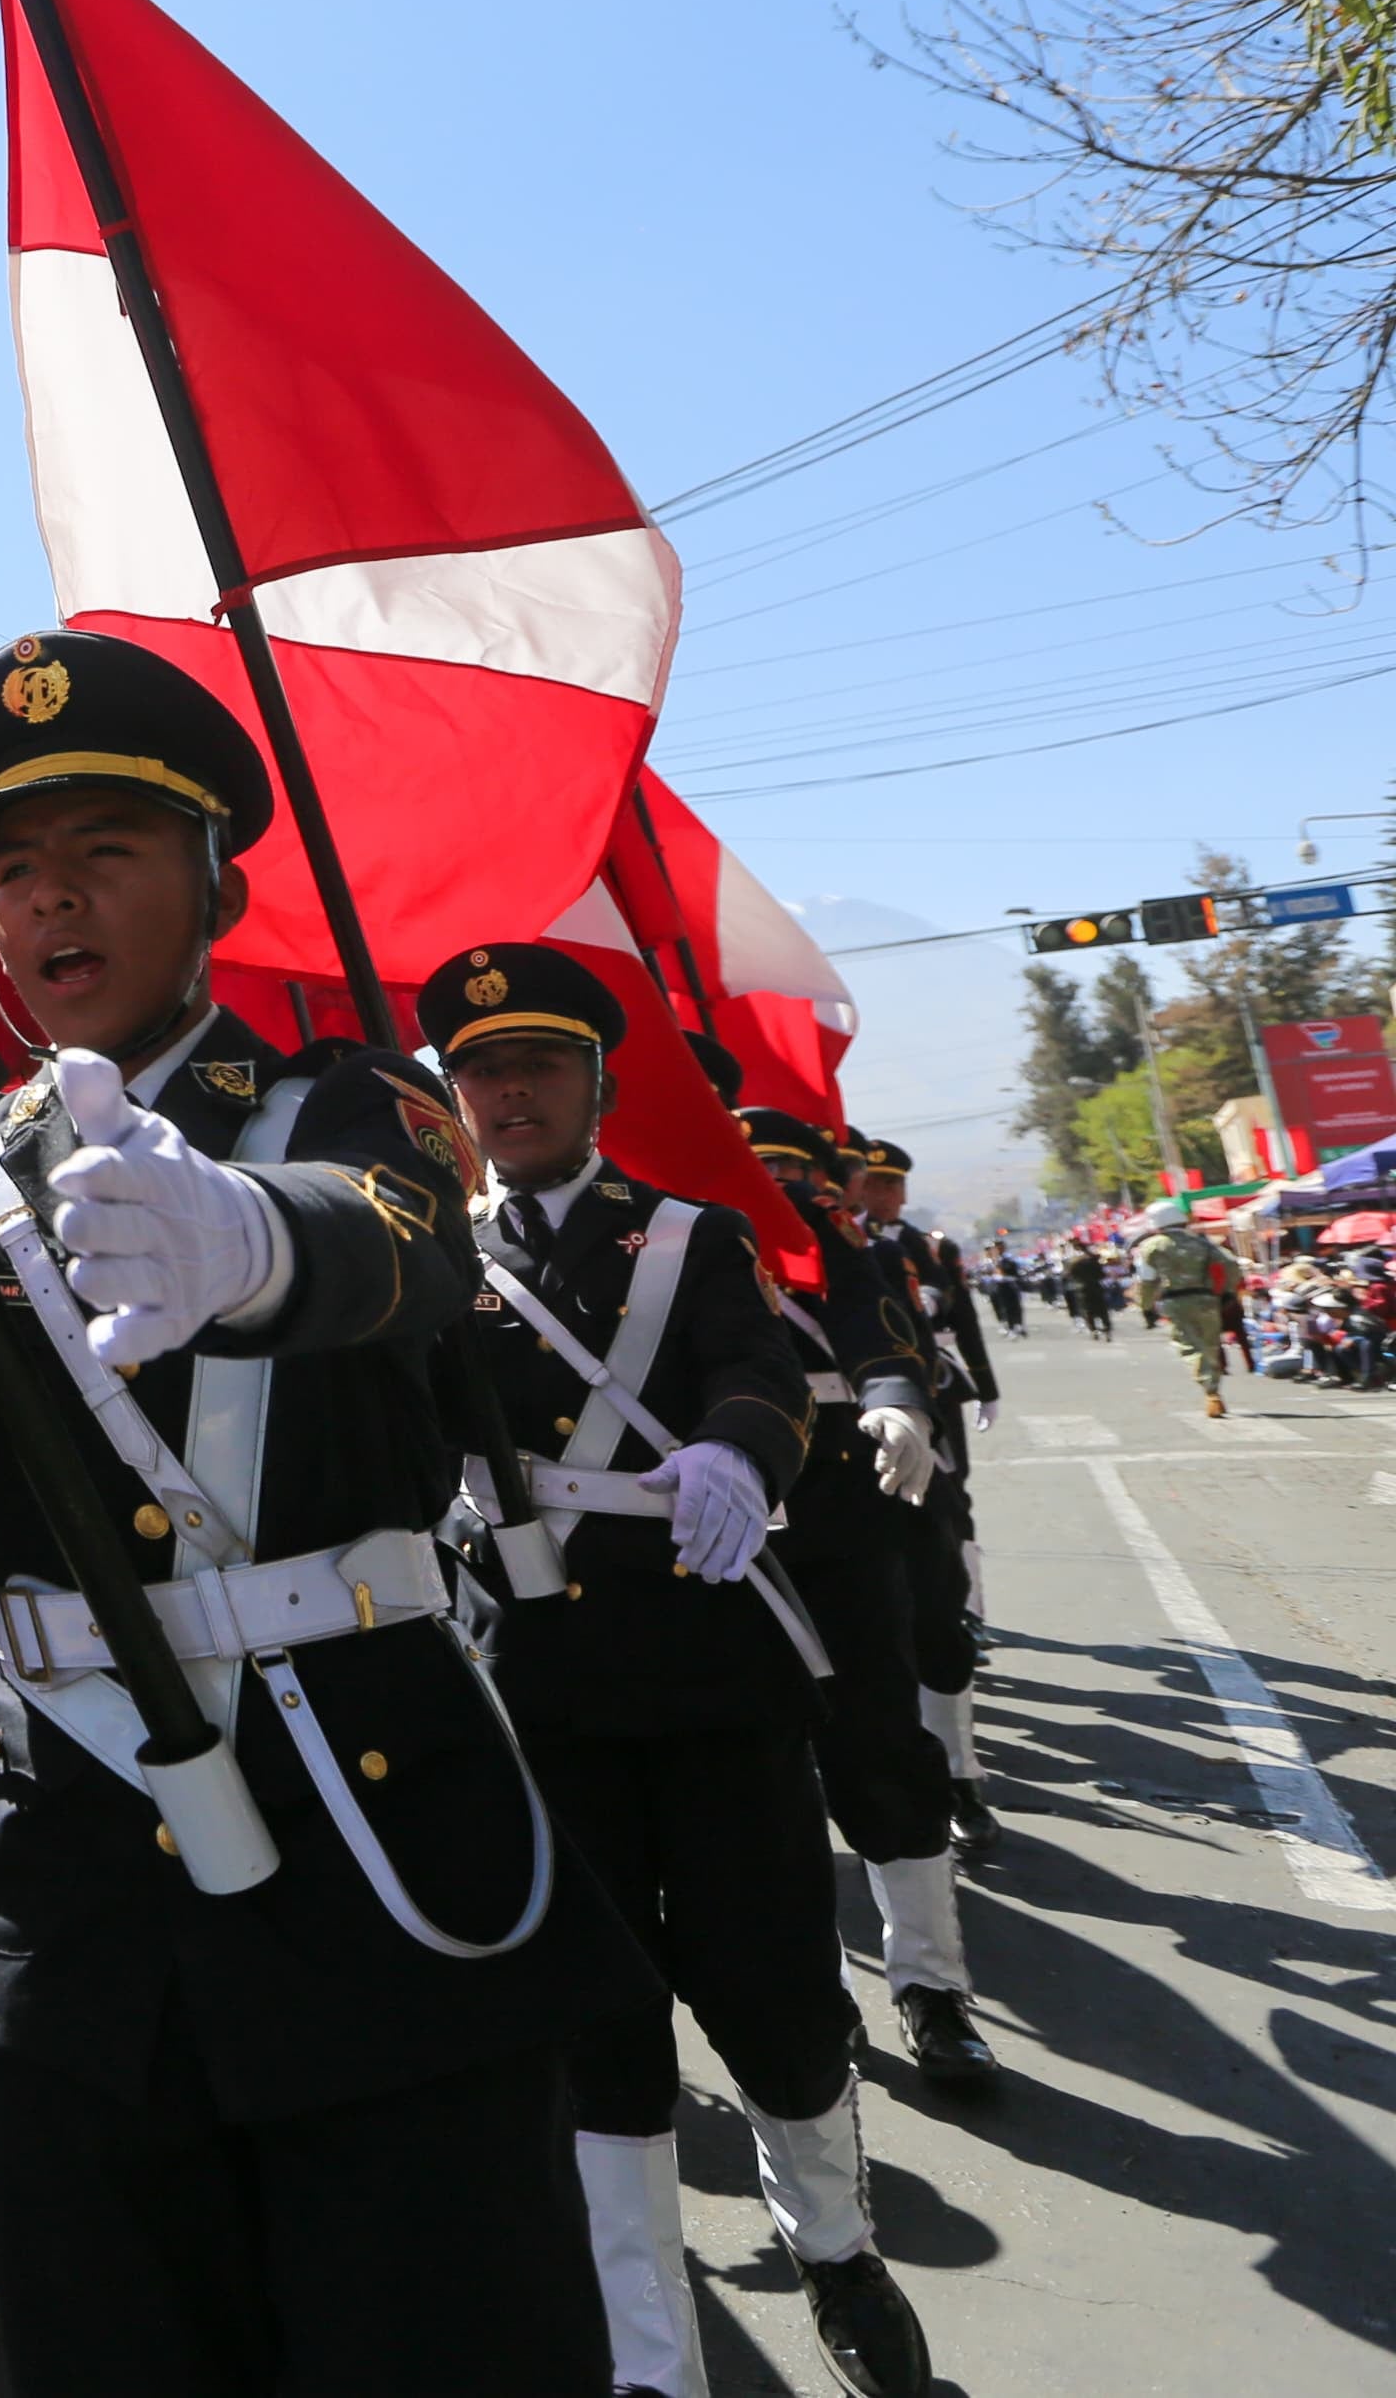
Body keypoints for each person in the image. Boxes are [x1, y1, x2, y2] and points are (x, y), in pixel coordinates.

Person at [0, 630, 643, 2395]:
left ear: (215, 880)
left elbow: (397, 1245)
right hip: (73, 1877)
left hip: (360, 1848)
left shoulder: (340, 1100)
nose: (49, 901)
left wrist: (249, 1240)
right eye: (13, 868)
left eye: (105, 851)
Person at [424, 943, 934, 2398]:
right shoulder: (438, 1255)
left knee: (771, 1987)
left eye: (538, 1063)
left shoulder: (688, 1237)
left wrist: (743, 1448)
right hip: (537, 1687)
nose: (508, 1089)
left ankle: (835, 2246)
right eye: (480, 1071)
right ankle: (651, 2350)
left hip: (708, 1674)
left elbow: (756, 1368)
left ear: (597, 1083)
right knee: (597, 2028)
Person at [733, 1110, 999, 2100]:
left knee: (879, 1747)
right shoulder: (643, 1220)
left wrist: (893, 1389)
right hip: (700, 1525)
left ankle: (931, 1987)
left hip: (838, 1501)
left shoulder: (809, 1221)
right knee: (754, 1774)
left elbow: (871, 1321)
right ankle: (812, 1984)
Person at [851, 1138, 1001, 1860]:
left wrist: (938, 1398)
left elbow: (920, 1337)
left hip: (896, 1443)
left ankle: (959, 1777)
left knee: (932, 1623)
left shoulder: (887, 1252)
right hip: (780, 1475)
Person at [1135, 1216, 1241, 1412]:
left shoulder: (1151, 1246)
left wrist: (1146, 1306)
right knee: (1211, 1344)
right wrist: (1228, 1291)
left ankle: (1210, 1391)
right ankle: (1213, 1387)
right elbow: (1231, 1265)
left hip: (1176, 1302)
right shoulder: (1202, 1243)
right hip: (1207, 1300)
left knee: (1190, 1345)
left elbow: (1147, 1280)